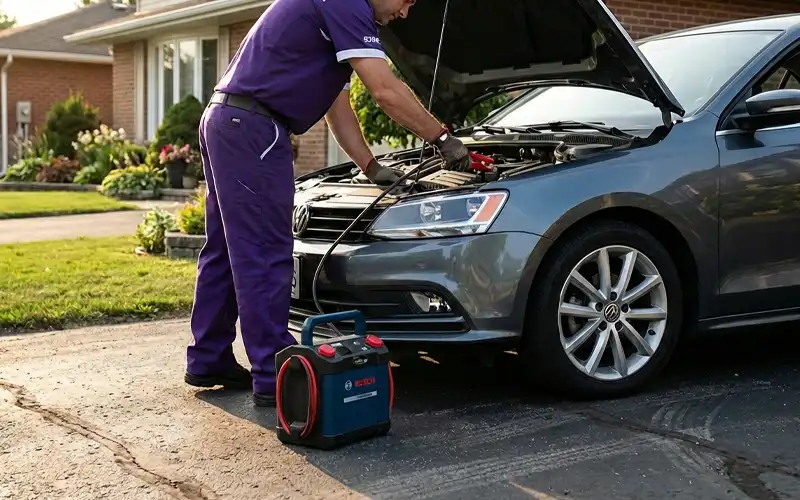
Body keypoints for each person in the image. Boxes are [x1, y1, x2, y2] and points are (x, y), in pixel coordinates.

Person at [183, 0, 471, 407]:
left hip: (228, 120)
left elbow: (338, 109)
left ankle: (208, 358)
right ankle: (275, 373)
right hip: (254, 128)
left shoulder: (336, 14)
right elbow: (385, 90)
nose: (406, 12)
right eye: (407, 0)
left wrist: (370, 167)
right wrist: (442, 139)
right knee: (265, 253)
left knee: (227, 251)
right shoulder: (347, 3)